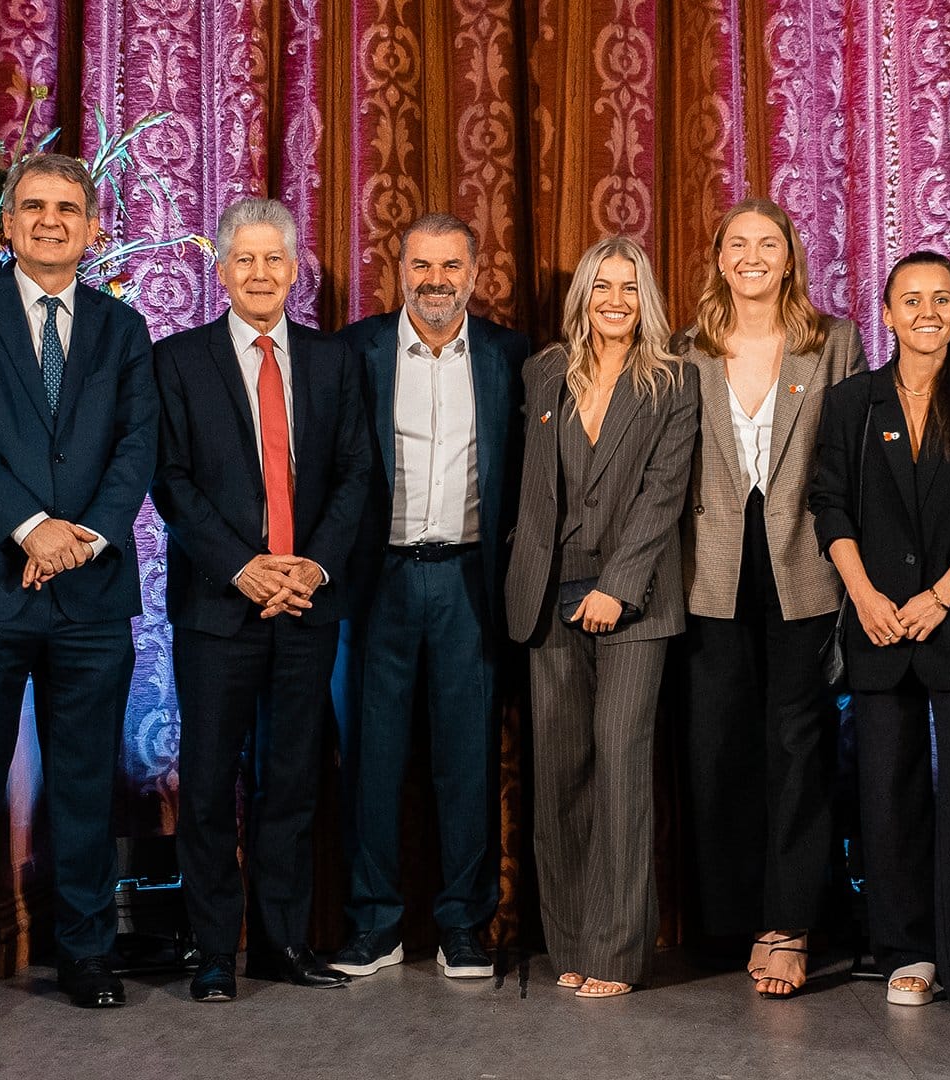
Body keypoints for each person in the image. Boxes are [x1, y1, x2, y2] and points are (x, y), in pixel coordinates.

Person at [0, 153, 159, 1017]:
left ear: (92, 227)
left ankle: (88, 952)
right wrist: (31, 527)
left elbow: (137, 447)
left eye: (68, 208)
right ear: (8, 223)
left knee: (87, 783)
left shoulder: (123, 330)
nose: (51, 221)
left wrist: (80, 539)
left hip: (91, 593)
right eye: (34, 207)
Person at [152, 197, 371, 1002]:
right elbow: (169, 481)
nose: (258, 273)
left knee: (293, 781)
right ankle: (213, 951)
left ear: (294, 269)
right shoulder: (177, 361)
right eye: (243, 260)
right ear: (221, 270)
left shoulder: (332, 362)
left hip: (308, 606)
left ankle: (282, 943)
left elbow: (355, 473)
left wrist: (309, 566)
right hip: (218, 608)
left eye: (272, 260)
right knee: (208, 786)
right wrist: (243, 566)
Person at [809, 251, 950, 1025]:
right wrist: (864, 595)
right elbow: (829, 506)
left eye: (941, 298)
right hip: (876, 621)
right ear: (889, 313)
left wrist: (942, 593)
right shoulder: (851, 405)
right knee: (889, 795)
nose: (927, 311)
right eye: (911, 299)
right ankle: (908, 953)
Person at [329, 214, 530, 979]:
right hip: (375, 581)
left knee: (467, 760)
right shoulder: (357, 350)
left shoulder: (511, 356)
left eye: (451, 265)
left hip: (469, 582)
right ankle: (373, 926)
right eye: (422, 265)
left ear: (475, 274)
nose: (436, 279)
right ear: (398, 270)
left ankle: (463, 926)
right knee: (372, 760)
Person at [675, 197, 862, 998]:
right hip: (707, 572)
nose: (753, 255)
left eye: (770, 243)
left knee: (798, 747)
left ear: (790, 257)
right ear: (719, 258)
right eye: (738, 244)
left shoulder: (834, 341)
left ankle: (788, 924)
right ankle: (734, 917)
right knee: (718, 750)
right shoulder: (684, 350)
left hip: (804, 568)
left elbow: (850, 460)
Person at [505, 235, 698, 998]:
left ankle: (617, 954)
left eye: (627, 288)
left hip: (634, 602)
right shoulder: (544, 370)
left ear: (643, 298)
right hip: (547, 594)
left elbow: (664, 494)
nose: (614, 301)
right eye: (600, 287)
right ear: (582, 295)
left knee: (619, 766)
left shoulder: (673, 382)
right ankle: (570, 945)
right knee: (560, 775)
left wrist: (617, 586)